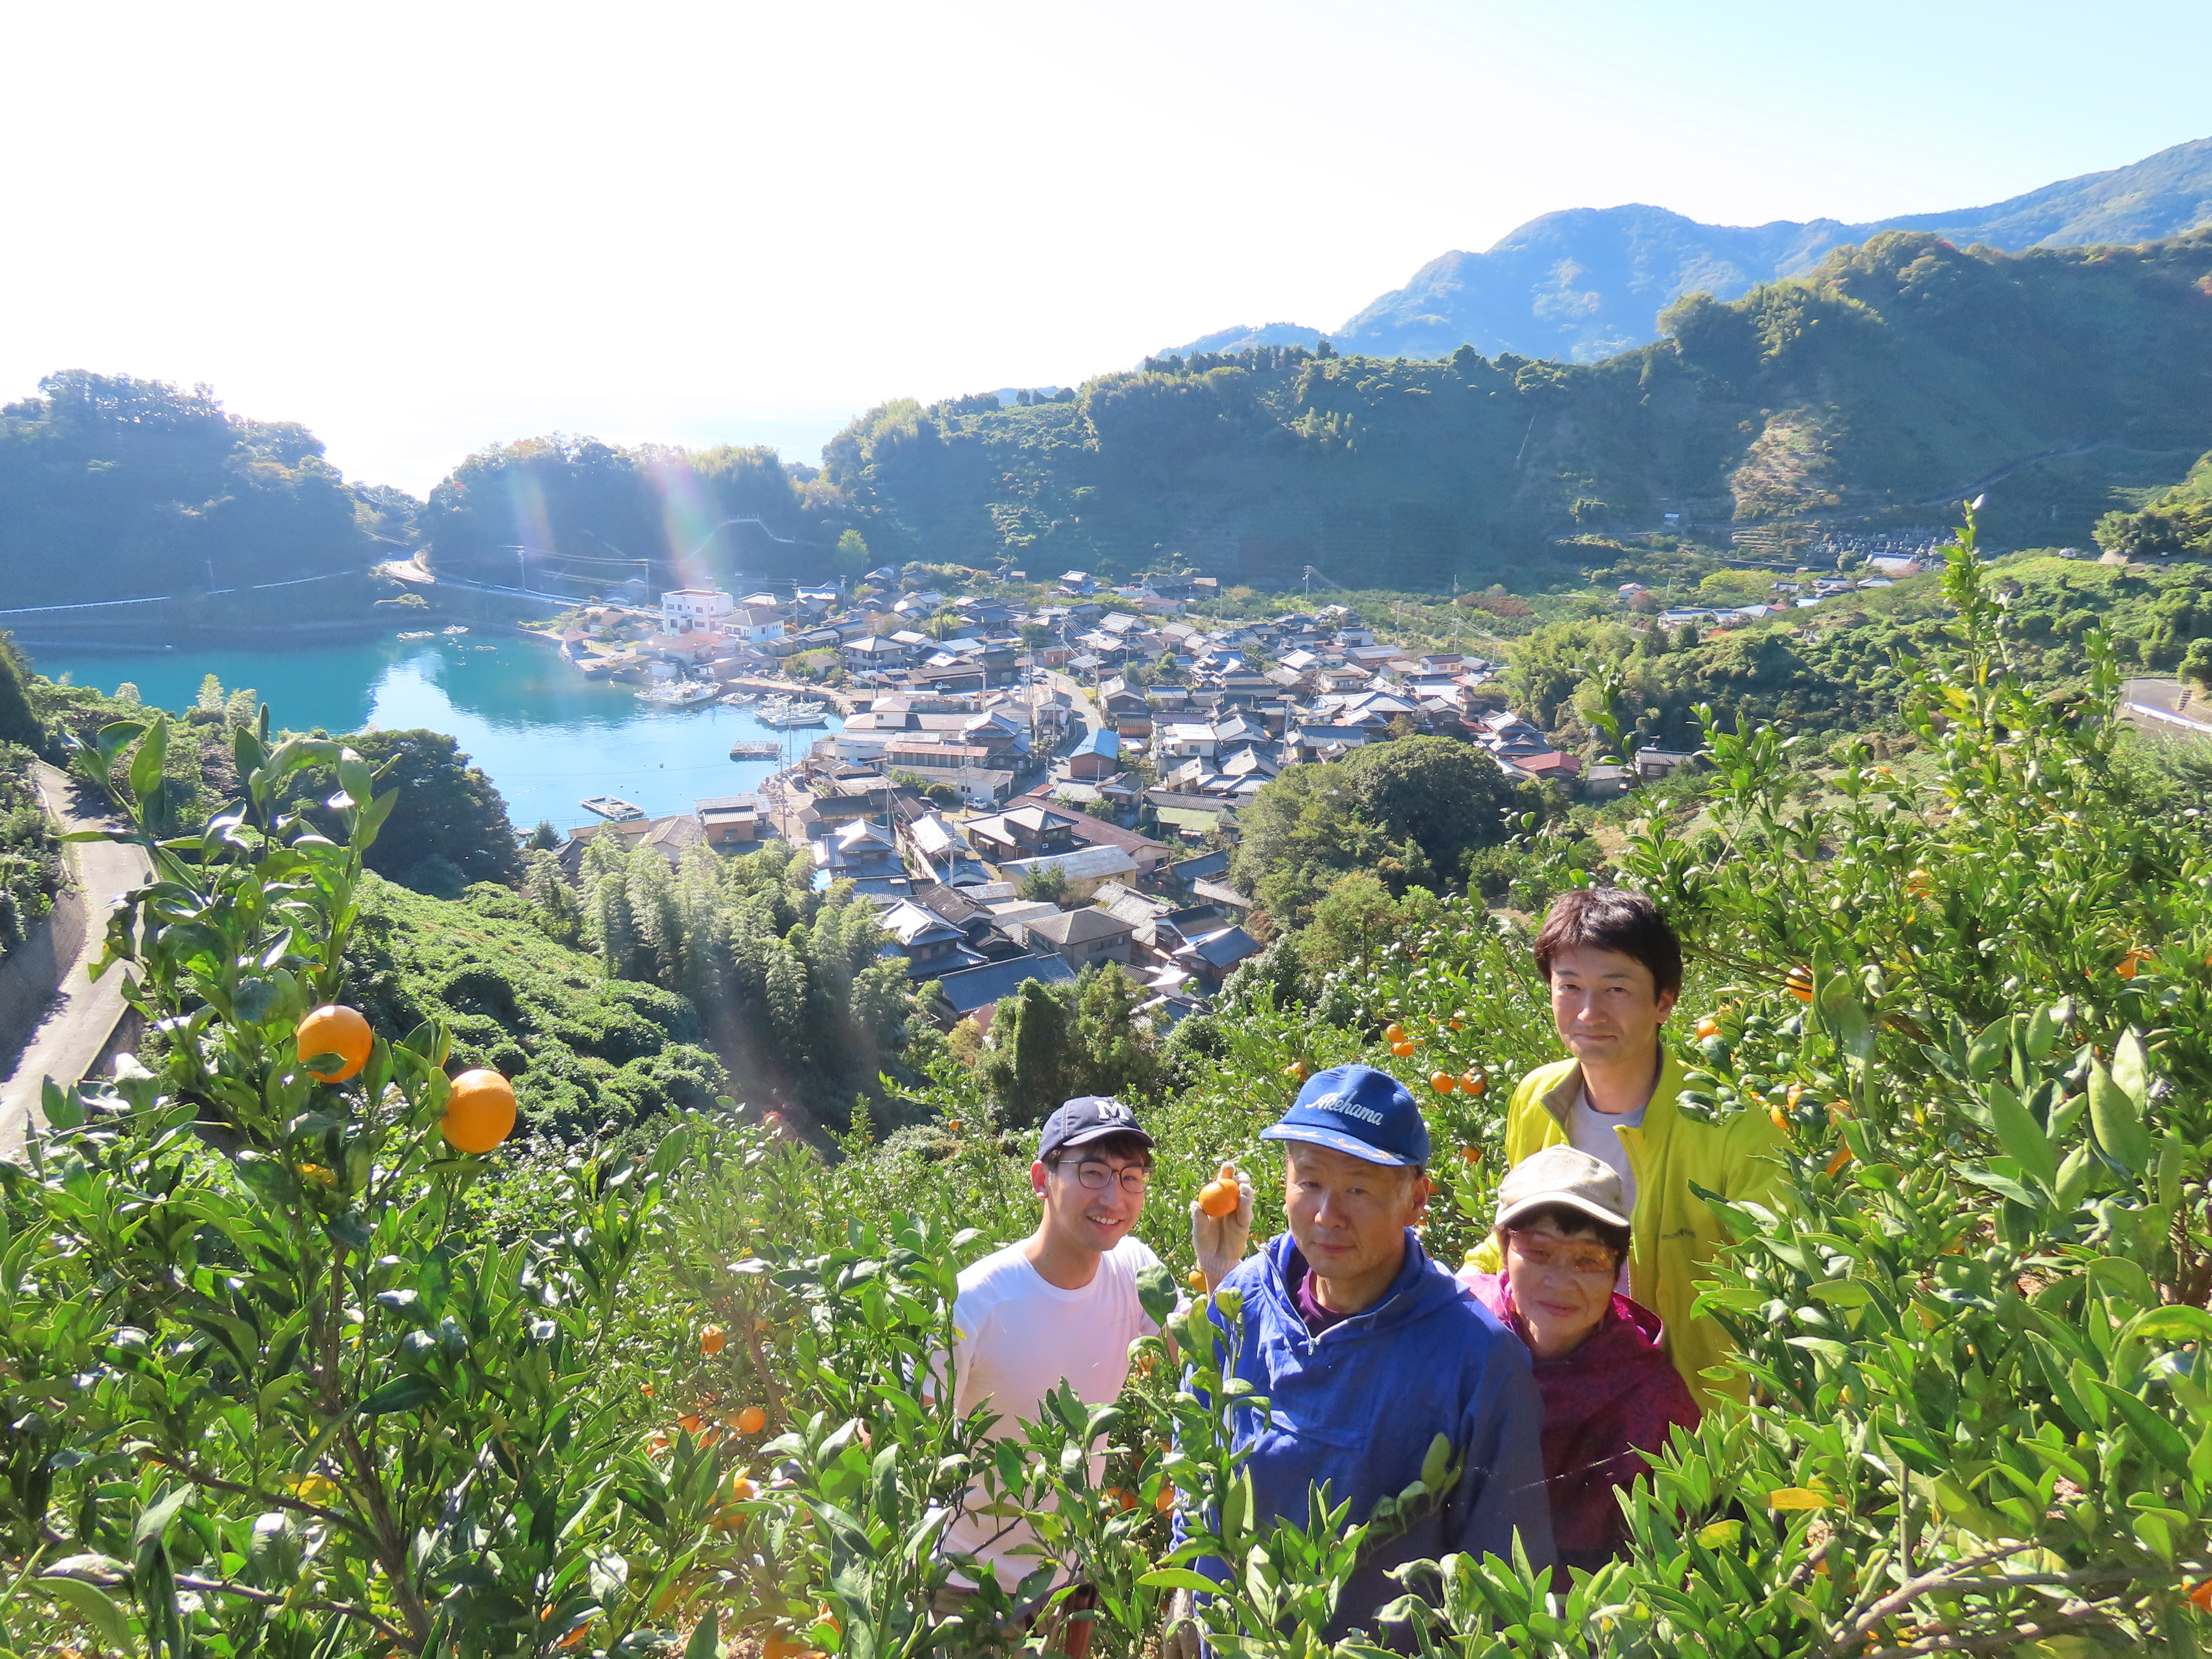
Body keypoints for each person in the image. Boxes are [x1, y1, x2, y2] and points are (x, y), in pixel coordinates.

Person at [1178, 1064, 1554, 1645]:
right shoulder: (1242, 1300)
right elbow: (1197, 1458)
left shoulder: (1475, 1356)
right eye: (1309, 1183)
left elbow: (1504, 1578)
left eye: (1358, 1188)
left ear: (1416, 1199)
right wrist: (1186, 1592)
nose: (1328, 1214)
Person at [935, 1096, 1252, 1656]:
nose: (1114, 1197)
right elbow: (908, 1446)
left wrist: (1220, 1272)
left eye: (1131, 1177)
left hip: (1069, 1579)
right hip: (968, 1591)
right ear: (1042, 1179)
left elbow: (1210, 1370)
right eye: (1093, 1173)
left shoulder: (1134, 1269)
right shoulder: (974, 1303)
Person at [1466, 887, 1784, 1409]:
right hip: (1562, 1402)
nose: (1589, 1013)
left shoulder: (1732, 1127)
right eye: (1569, 987)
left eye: (1616, 989)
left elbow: (1791, 1282)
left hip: (1695, 1419)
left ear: (1664, 1001)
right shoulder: (1536, 1100)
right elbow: (1515, 1233)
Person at [1458, 1145, 1701, 1574]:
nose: (1561, 1282)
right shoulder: (1460, 1333)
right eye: (1539, 1252)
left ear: (1618, 1268)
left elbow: (1674, 1559)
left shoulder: (1650, 1399)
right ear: (1503, 1247)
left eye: (1589, 1259)